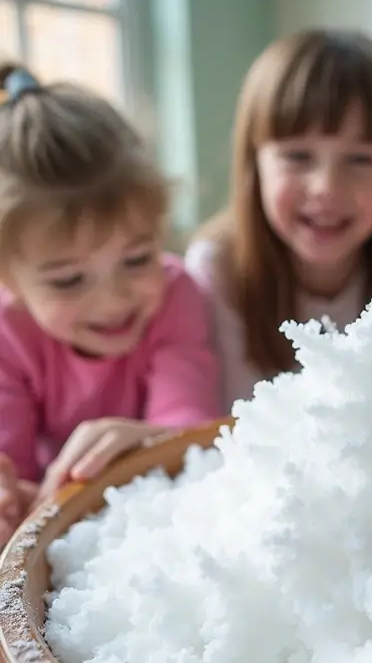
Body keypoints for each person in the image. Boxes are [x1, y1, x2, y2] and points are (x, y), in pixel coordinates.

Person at [0, 64, 221, 544]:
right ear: (8, 278)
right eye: (69, 280)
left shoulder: (176, 293)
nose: (114, 297)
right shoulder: (7, 331)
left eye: (138, 258)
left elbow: (190, 429)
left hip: (152, 522)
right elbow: (9, 468)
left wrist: (151, 441)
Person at [185, 29, 372, 407]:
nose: (327, 188)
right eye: (298, 157)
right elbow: (228, 425)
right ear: (254, 165)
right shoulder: (218, 267)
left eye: (361, 159)